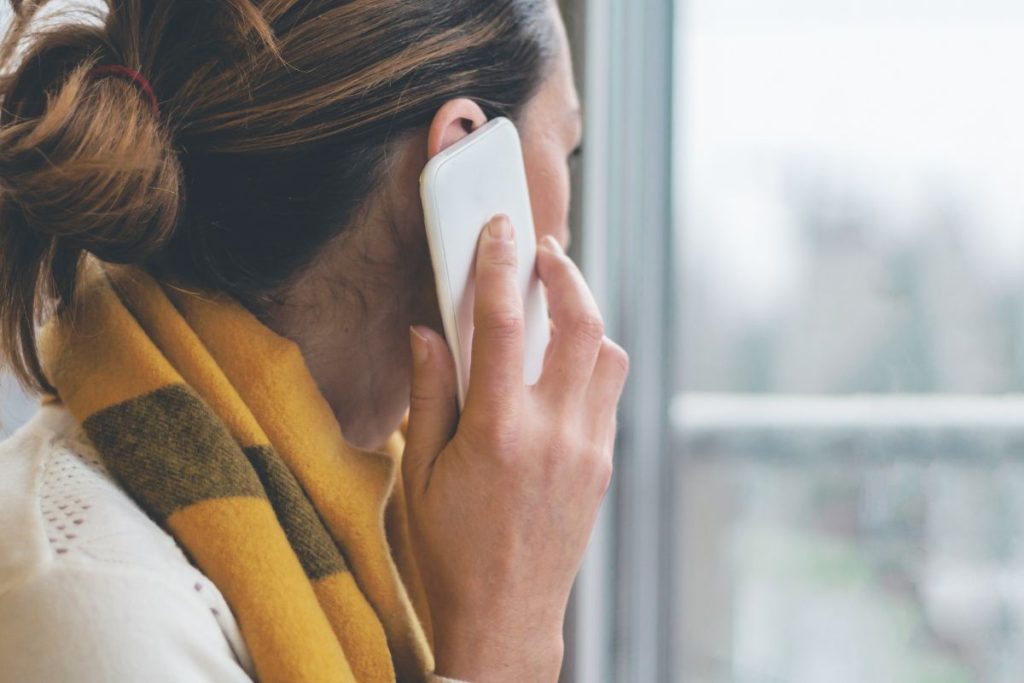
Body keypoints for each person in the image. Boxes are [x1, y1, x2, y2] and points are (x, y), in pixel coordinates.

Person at [0, 0, 629, 681]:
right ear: (464, 155)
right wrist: (506, 638)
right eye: (568, 148)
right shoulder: (97, 606)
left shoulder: (387, 514)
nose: (564, 234)